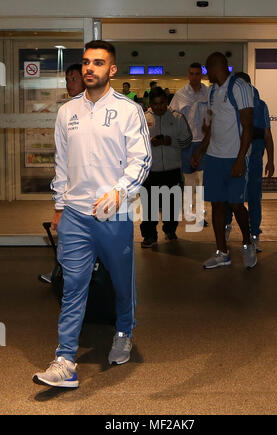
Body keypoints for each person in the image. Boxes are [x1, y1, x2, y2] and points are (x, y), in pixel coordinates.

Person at [33, 39, 151, 388]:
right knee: (72, 287)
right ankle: (65, 359)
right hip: (75, 215)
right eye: (86, 62)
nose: (89, 68)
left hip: (113, 216)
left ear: (112, 70)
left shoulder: (129, 111)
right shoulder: (67, 112)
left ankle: (124, 331)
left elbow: (141, 159)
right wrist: (58, 206)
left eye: (98, 63)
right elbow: (61, 163)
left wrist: (121, 191)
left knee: (120, 281)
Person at [191, 52, 257, 270]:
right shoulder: (211, 92)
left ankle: (248, 243)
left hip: (234, 158)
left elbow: (248, 126)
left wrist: (240, 159)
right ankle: (222, 252)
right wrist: (201, 150)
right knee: (217, 205)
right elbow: (209, 125)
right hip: (214, 158)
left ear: (214, 67)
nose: (205, 74)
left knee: (237, 205)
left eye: (206, 70)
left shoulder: (239, 87)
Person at [39, 64, 86, 284]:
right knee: (66, 235)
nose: (70, 84)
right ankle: (61, 274)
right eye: (67, 80)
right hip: (70, 186)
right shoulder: (65, 111)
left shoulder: (94, 108)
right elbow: (61, 156)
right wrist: (59, 201)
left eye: (74, 79)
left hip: (90, 188)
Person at [225, 72, 275, 253]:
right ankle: (226, 228)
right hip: (234, 155)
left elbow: (267, 135)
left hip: (254, 158)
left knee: (254, 196)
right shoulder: (230, 104)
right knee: (231, 196)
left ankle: (254, 234)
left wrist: (271, 160)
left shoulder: (261, 105)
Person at [140, 87, 192, 247]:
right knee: (149, 206)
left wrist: (171, 142)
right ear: (150, 104)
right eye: (155, 104)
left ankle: (170, 230)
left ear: (166, 101)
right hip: (150, 171)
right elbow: (135, 144)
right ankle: (149, 236)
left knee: (172, 205)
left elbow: (187, 140)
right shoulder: (142, 119)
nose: (159, 107)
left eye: (162, 103)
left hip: (172, 169)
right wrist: (150, 142)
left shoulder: (177, 118)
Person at [170, 63, 208, 226]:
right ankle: (188, 212)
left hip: (204, 143)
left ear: (201, 75)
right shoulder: (181, 94)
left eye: (197, 74)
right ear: (188, 75)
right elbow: (172, 116)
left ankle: (200, 214)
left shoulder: (208, 93)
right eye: (192, 73)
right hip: (186, 143)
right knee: (188, 181)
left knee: (202, 182)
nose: (194, 76)